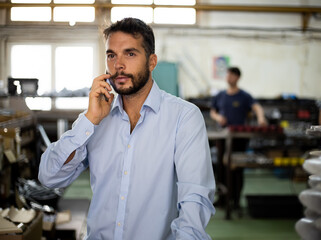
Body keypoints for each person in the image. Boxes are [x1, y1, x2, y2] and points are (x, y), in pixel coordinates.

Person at [38, 18, 215, 240]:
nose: (118, 65)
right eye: (111, 55)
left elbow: (195, 201)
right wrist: (90, 119)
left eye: (130, 54)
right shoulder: (96, 119)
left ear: (152, 62)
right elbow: (49, 176)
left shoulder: (183, 117)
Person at [210, 67, 267, 211]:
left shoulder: (244, 96)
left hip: (239, 138)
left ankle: (235, 200)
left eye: (232, 75)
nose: (229, 77)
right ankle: (222, 199)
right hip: (223, 137)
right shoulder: (221, 96)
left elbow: (257, 107)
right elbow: (213, 111)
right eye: (228, 75)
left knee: (236, 169)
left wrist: (261, 118)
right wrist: (218, 117)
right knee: (222, 168)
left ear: (237, 78)